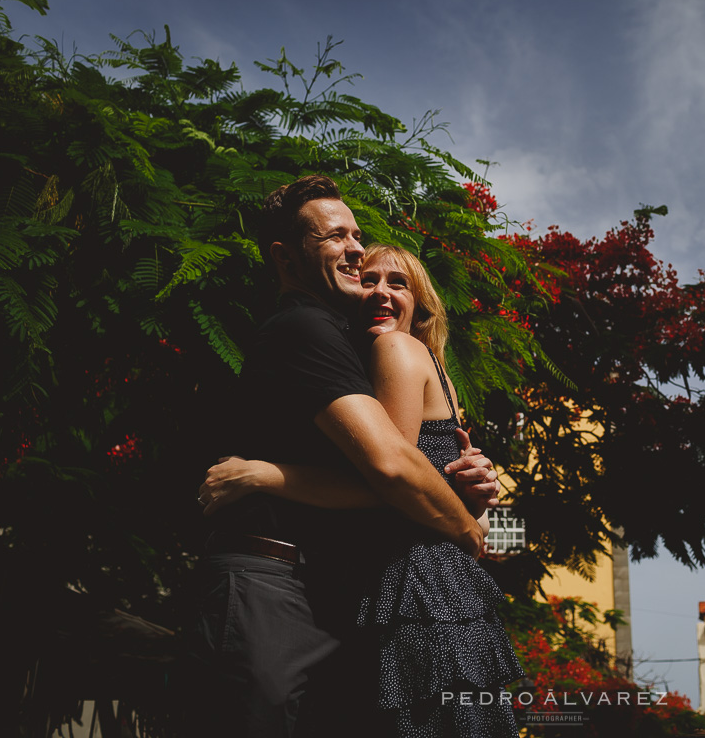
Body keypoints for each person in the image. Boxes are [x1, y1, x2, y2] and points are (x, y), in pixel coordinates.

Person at [192, 175, 497, 738]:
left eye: (359, 236)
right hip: (293, 578)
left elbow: (400, 473)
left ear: (422, 303)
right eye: (337, 238)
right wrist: (472, 528)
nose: (358, 253)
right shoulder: (313, 330)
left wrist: (266, 475)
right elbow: (391, 470)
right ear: (286, 256)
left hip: (386, 586)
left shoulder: (384, 350)